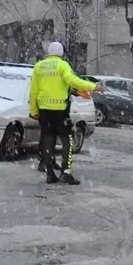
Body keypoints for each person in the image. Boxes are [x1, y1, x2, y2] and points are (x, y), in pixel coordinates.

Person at [29, 42, 98, 185]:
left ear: (49, 52)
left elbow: (33, 91)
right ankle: (66, 172)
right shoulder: (63, 65)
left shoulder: (38, 66)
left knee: (48, 141)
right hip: (60, 111)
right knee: (67, 141)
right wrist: (93, 86)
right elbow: (72, 81)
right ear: (62, 53)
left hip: (44, 111)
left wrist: (34, 110)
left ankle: (50, 173)